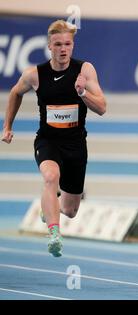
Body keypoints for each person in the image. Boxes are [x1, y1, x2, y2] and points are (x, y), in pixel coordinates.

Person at [1, 20, 107, 257]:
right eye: (58, 44)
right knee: (50, 177)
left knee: (70, 210)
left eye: (67, 44)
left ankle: (50, 208)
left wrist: (82, 93)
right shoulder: (35, 74)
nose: (63, 49)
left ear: (72, 45)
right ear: (49, 45)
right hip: (48, 141)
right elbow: (15, 93)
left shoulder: (85, 71)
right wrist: (7, 126)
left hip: (76, 145)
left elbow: (102, 108)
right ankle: (54, 233)